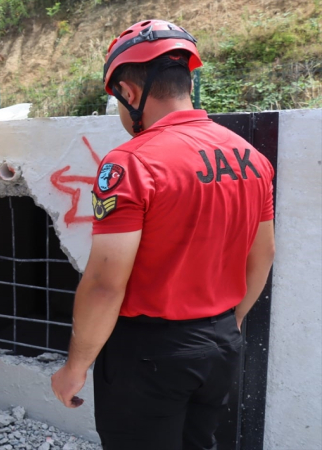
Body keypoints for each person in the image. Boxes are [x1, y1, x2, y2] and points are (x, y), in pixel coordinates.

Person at [50, 19, 276, 450]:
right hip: (220, 343)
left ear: (129, 94)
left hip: (149, 354)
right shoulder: (251, 157)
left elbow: (103, 284)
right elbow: (262, 254)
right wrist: (232, 321)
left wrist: (75, 367)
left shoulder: (130, 163)